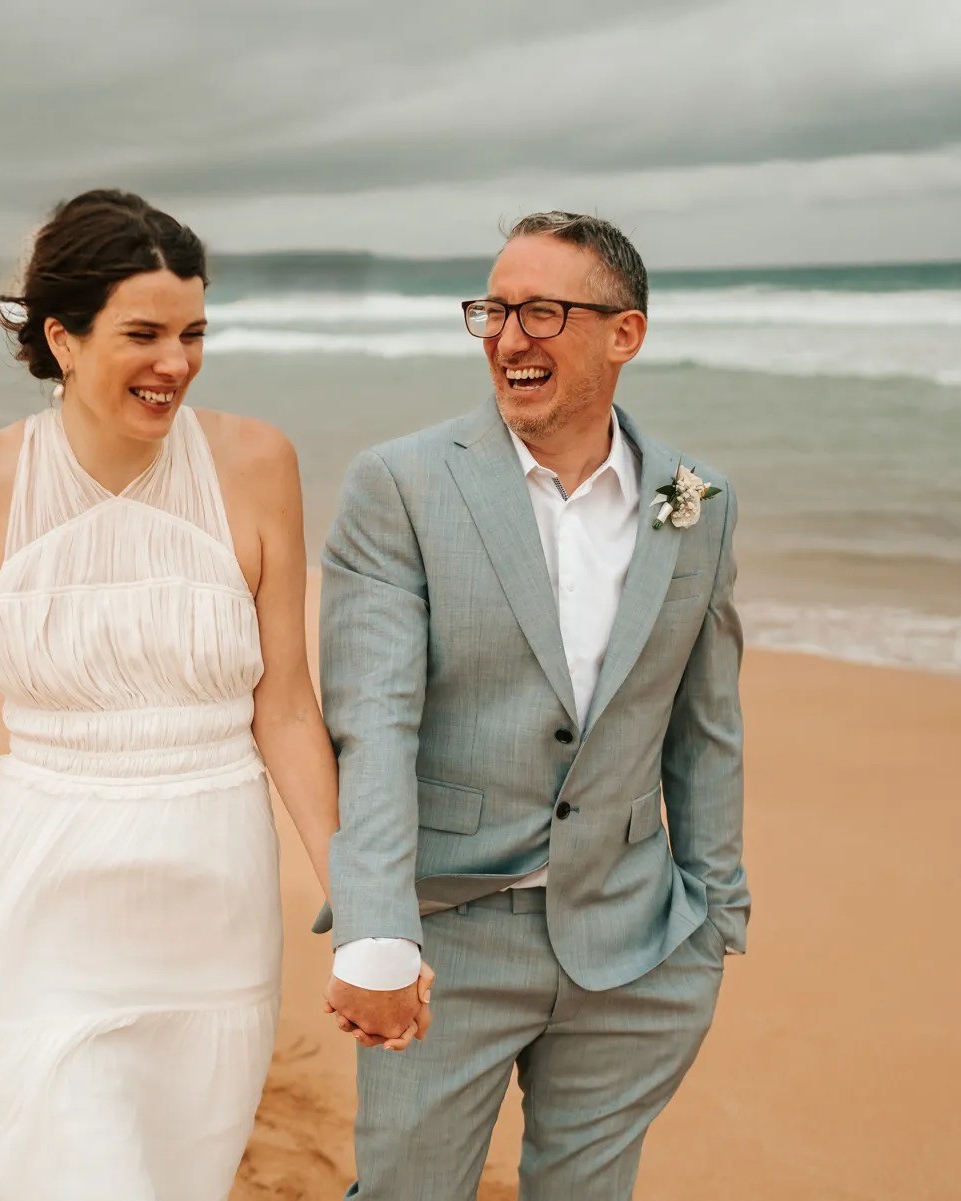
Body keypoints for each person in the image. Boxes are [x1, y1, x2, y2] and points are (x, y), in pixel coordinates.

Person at [0, 189, 371, 1200]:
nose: (176, 362)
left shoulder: (258, 463)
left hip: (212, 903)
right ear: (63, 338)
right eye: (144, 333)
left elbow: (288, 708)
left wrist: (361, 895)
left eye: (193, 333)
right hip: (45, 890)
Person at [317, 212, 749, 1200]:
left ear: (624, 333)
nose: (509, 338)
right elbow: (373, 723)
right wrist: (377, 931)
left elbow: (706, 726)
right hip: (448, 936)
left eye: (542, 312)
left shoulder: (698, 500)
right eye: (495, 311)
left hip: (637, 943)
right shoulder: (400, 484)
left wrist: (714, 917)